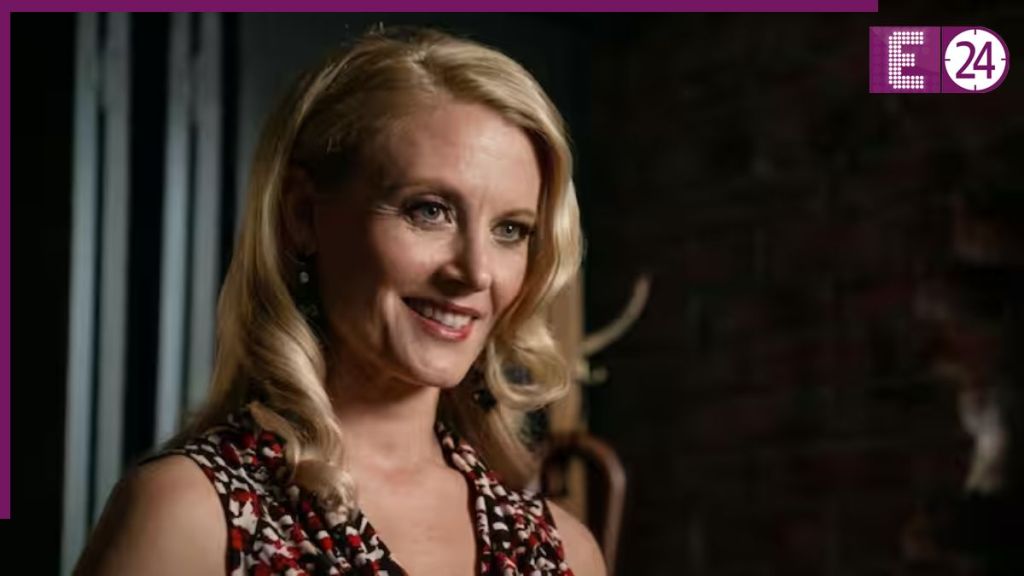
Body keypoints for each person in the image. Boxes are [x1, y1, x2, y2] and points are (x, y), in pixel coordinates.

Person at [75, 26, 606, 576]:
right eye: (429, 210)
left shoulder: (567, 553)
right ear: (303, 215)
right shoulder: (186, 517)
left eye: (510, 230)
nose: (475, 272)